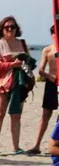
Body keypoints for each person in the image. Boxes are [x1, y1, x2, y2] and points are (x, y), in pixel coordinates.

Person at [0, 16, 31, 155]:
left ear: (16, 29)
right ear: (2, 29)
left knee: (16, 115)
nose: (10, 30)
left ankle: (16, 147)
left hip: (19, 83)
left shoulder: (22, 44)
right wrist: (13, 64)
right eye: (7, 27)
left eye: (13, 27)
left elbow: (29, 63)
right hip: (1, 83)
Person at [27, 26, 58, 155]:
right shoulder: (48, 50)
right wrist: (50, 77)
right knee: (46, 115)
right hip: (51, 84)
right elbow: (40, 69)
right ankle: (36, 145)